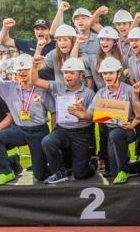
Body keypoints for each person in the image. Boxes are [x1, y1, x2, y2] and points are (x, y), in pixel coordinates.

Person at [0, 54, 52, 185]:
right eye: (19, 70)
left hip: (39, 132)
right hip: (20, 130)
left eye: (26, 69)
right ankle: (6, 171)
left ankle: (56, 164)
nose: (22, 72)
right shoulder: (9, 87)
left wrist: (54, 131)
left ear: (33, 71)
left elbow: (54, 111)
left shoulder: (41, 89)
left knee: (40, 175)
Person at [29, 55, 97, 184]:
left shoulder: (89, 93)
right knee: (48, 141)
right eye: (66, 72)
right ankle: (58, 172)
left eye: (72, 73)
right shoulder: (57, 86)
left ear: (80, 74)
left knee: (80, 174)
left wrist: (83, 114)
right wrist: (34, 66)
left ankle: (92, 164)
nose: (68, 76)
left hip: (81, 133)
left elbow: (92, 117)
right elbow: (35, 81)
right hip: (63, 129)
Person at [75, 56, 140, 183]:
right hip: (111, 132)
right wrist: (81, 113)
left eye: (111, 73)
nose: (107, 76)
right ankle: (133, 167)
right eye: (105, 73)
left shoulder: (129, 90)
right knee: (113, 172)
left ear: (118, 74)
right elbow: (90, 114)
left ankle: (124, 170)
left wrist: (132, 124)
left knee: (116, 135)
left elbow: (139, 114)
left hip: (129, 129)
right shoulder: (100, 93)